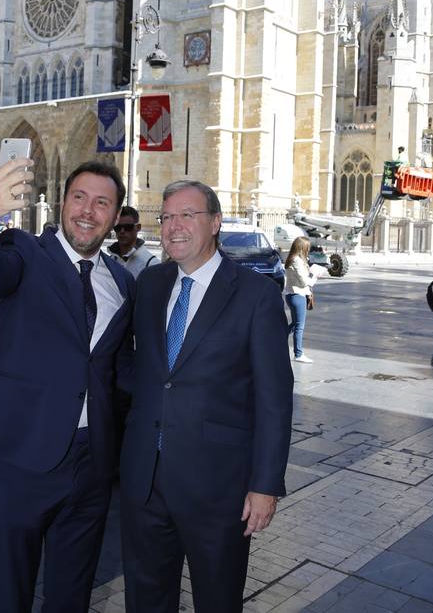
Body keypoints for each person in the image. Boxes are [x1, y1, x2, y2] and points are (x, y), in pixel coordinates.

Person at [0, 159, 135, 613]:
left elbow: (120, 371)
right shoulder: (25, 251)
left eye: (102, 203)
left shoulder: (122, 282)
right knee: (9, 583)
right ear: (61, 202)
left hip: (92, 462)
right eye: (80, 197)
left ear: (115, 217)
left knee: (72, 589)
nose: (88, 211)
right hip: (23, 455)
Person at [119, 179, 293, 613]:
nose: (173, 226)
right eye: (166, 217)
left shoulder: (256, 296)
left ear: (215, 223)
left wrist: (265, 485)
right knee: (146, 599)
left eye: (187, 215)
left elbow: (275, 399)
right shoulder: (152, 284)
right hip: (146, 480)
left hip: (218, 489)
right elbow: (146, 373)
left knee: (217, 601)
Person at [284, 235, 317, 363]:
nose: (308, 250)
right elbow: (303, 282)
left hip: (292, 294)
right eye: (307, 247)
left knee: (295, 324)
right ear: (302, 247)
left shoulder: (294, 259)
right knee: (299, 326)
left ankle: (277, 339)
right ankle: (298, 354)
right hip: (297, 295)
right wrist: (315, 277)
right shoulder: (296, 260)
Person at [108, 205, 160, 278]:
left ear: (138, 227)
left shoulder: (151, 264)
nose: (122, 231)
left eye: (128, 227)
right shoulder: (110, 260)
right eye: (118, 227)